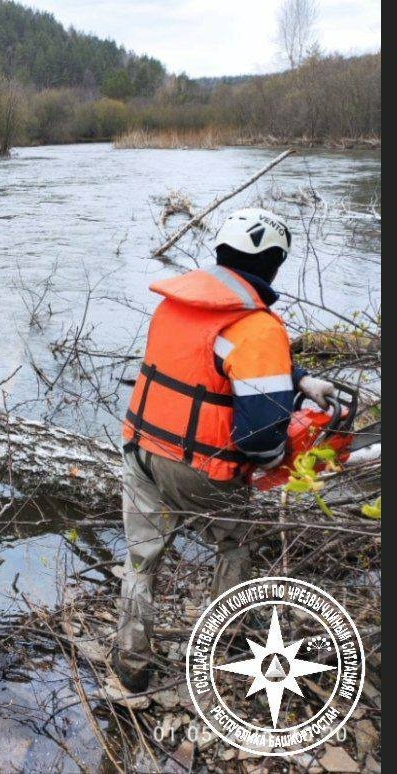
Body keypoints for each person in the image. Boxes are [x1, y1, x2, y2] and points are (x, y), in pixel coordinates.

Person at [112, 207, 335, 692]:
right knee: (237, 540)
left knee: (141, 558)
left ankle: (131, 661)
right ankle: (225, 640)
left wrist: (298, 379)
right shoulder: (258, 327)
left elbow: (211, 356)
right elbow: (260, 440)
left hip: (139, 448)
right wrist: (277, 461)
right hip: (201, 467)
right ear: (273, 264)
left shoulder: (176, 302)